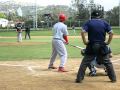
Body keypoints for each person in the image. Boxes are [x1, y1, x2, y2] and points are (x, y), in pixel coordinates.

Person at [75, 10, 116, 83]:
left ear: (92, 16)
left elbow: (82, 32)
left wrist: (85, 42)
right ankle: (113, 78)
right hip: (102, 44)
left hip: (91, 45)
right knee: (107, 62)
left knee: (85, 62)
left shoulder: (89, 22)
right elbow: (111, 33)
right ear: (99, 16)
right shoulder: (104, 22)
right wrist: (107, 42)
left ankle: (79, 79)